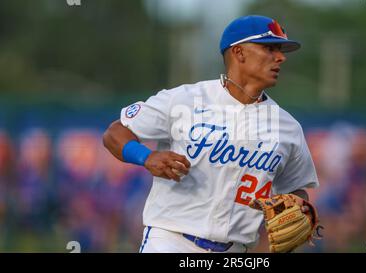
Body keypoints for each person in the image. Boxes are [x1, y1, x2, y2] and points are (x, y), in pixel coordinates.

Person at [103, 15, 319, 253]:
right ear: (239, 53)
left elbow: (296, 188)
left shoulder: (287, 127)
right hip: (171, 241)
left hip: (237, 250)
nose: (280, 57)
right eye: (269, 48)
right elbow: (115, 133)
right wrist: (146, 157)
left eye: (280, 50)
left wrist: (298, 207)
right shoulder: (184, 100)